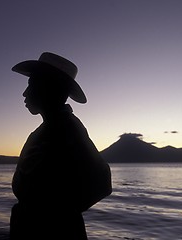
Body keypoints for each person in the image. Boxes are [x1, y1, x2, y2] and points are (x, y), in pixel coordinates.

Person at [10, 52, 112, 240]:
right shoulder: (46, 130)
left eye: (31, 85)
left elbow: (102, 183)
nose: (25, 93)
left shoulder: (68, 129)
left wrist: (54, 216)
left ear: (49, 88)